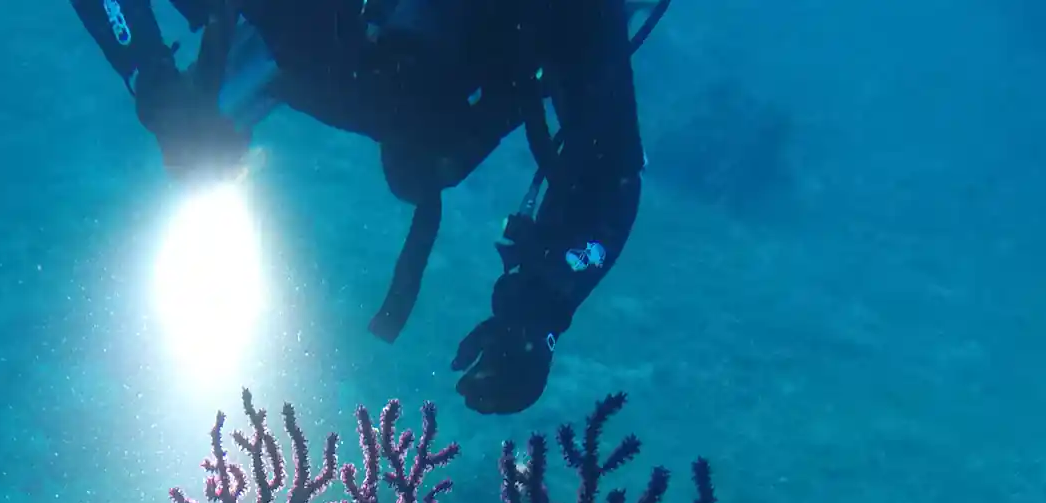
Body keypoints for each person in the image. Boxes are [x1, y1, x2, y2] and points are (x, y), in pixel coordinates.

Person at [66, 0, 656, 415]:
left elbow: (611, 173)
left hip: (426, 92)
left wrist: (541, 314)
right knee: (202, 138)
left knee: (425, 157)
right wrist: (149, 74)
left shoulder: (573, 15)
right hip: (321, 49)